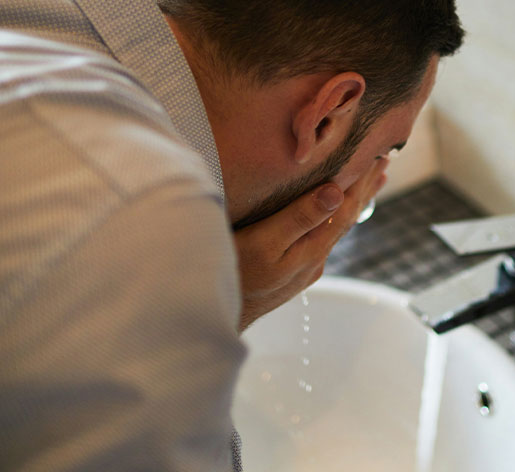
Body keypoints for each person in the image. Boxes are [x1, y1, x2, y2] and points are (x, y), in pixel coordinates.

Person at [0, 0, 464, 470]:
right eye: (384, 150)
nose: (369, 183)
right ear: (328, 114)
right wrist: (220, 306)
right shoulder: (139, 217)